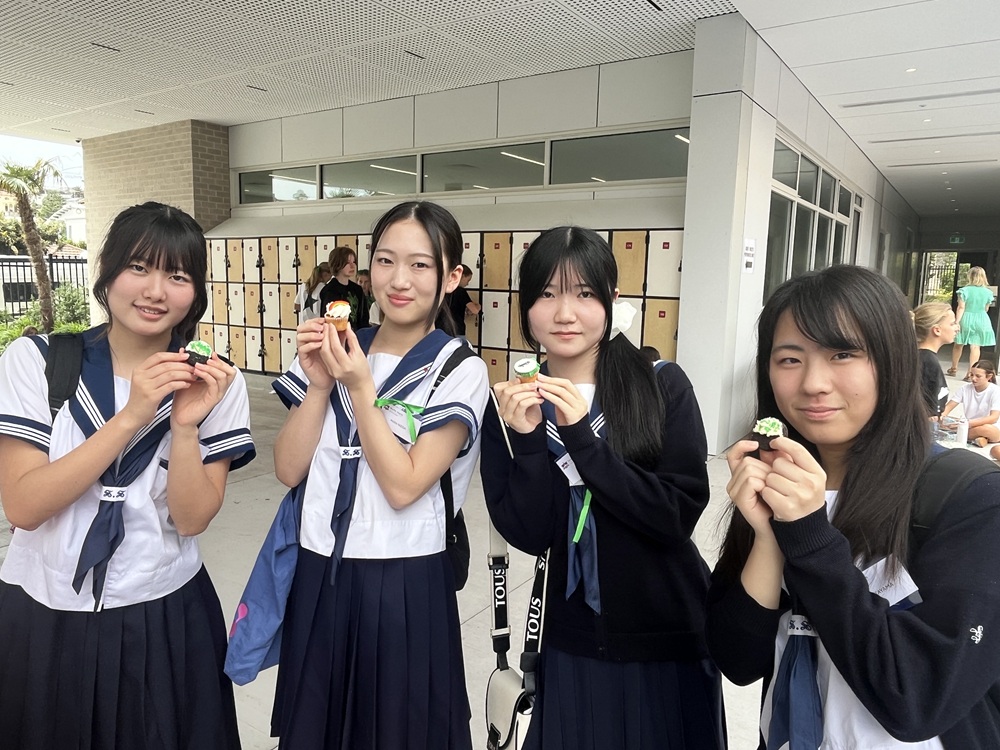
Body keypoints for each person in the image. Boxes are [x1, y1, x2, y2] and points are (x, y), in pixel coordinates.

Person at [708, 265, 1000, 749]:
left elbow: (918, 701)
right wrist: (767, 538)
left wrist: (809, 535)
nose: (813, 383)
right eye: (789, 359)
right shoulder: (775, 481)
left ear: (893, 360)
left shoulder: (970, 498)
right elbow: (738, 661)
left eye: (843, 354)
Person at [0, 202, 255, 749]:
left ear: (196, 291)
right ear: (108, 271)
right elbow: (22, 507)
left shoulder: (217, 383)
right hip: (46, 608)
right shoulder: (38, 362)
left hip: (164, 611)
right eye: (139, 267)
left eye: (178, 275)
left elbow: (191, 520)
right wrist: (132, 416)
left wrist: (184, 426)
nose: (155, 291)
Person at [481, 226, 725, 750]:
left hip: (667, 632)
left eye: (585, 293)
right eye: (547, 294)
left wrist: (584, 445)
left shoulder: (662, 384)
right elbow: (532, 534)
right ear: (526, 306)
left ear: (613, 299)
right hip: (572, 640)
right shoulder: (510, 407)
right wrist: (529, 444)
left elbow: (676, 516)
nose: (565, 313)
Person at [269, 201, 488, 750]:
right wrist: (320, 384)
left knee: (399, 728)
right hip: (320, 567)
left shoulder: (459, 368)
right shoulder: (339, 345)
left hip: (404, 576)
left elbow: (404, 486)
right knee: (317, 727)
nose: (399, 280)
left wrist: (360, 386)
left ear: (451, 277)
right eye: (386, 261)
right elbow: (289, 468)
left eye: (420, 264)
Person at [913, 301, 959, 419]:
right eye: (952, 324)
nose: (957, 328)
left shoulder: (921, 357)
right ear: (937, 330)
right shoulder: (928, 361)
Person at [940, 359, 1000, 447]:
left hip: (990, 427)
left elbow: (993, 418)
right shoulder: (965, 388)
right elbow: (948, 407)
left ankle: (963, 434)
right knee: (942, 419)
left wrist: (968, 424)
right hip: (968, 424)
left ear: (989, 377)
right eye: (971, 375)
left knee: (985, 429)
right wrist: (941, 416)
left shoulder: (996, 391)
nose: (973, 378)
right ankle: (979, 438)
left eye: (978, 376)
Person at [949, 266, 995, 380]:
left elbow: (961, 307)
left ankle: (954, 368)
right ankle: (970, 373)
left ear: (970, 276)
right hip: (982, 319)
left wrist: (956, 321)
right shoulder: (988, 292)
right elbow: (986, 309)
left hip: (966, 318)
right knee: (975, 347)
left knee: (958, 344)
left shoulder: (964, 291)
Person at [319, 246, 370, 330]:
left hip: (357, 334)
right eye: (347, 262)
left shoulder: (357, 289)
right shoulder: (329, 290)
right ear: (337, 264)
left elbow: (364, 317)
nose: (352, 266)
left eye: (354, 262)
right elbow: (328, 320)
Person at [445, 264, 481, 337]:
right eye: (468, 280)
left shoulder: (445, 289)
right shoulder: (461, 291)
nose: (467, 284)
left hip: (443, 329)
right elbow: (475, 310)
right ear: (462, 276)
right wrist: (478, 306)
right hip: (457, 330)